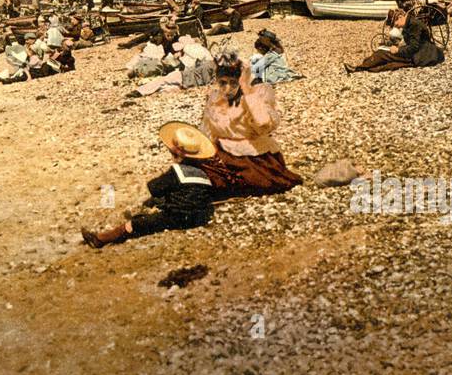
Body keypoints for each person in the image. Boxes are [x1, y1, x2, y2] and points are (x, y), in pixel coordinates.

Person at [81, 122, 216, 248]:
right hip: (201, 215)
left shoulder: (177, 172)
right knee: (159, 203)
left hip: (180, 218)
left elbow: (154, 188)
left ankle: (100, 239)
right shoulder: (202, 173)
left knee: (136, 224)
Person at [193, 51, 300, 196]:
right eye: (223, 83)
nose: (227, 89)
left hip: (253, 159)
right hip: (223, 151)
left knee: (221, 183)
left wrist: (246, 88)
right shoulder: (216, 98)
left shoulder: (255, 96)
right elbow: (207, 130)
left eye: (233, 83)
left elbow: (264, 123)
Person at [345, 0, 444, 73]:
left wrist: (398, 50)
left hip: (420, 56)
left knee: (382, 54)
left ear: (400, 17)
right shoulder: (409, 23)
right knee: (386, 58)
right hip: (418, 53)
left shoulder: (414, 25)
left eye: (395, 24)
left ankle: (359, 68)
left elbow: (414, 47)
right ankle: (363, 67)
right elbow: (412, 43)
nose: (396, 26)